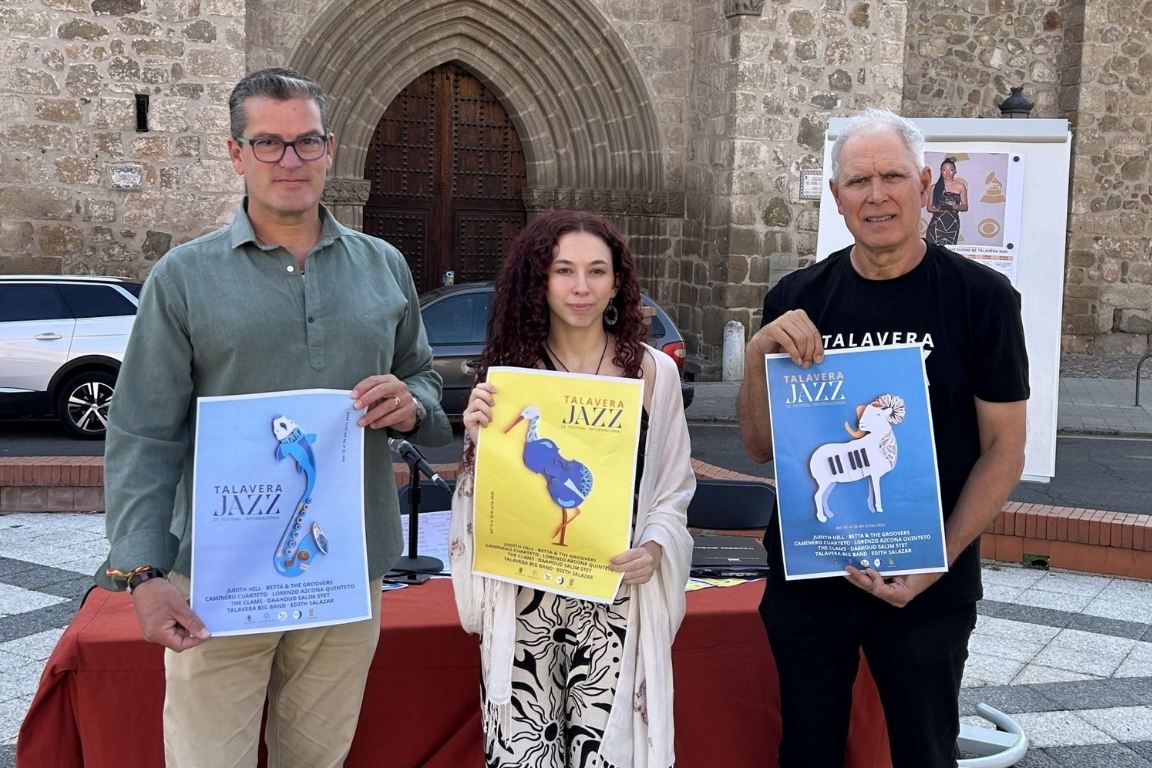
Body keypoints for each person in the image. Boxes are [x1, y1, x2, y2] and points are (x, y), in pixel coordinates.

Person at [96, 67, 450, 767]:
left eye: (307, 141)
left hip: (344, 570)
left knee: (318, 759)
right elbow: (142, 432)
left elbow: (426, 383)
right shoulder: (184, 277)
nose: (291, 160)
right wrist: (141, 571)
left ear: (330, 148)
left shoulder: (383, 266)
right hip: (216, 577)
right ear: (236, 153)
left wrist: (413, 405)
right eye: (268, 143)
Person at [737, 109, 1028, 768]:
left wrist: (939, 558)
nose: (877, 195)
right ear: (836, 197)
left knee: (924, 752)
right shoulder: (796, 297)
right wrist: (758, 356)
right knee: (806, 752)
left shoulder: (982, 298)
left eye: (892, 177)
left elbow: (1005, 447)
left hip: (926, 577)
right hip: (811, 579)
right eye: (858, 181)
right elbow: (760, 446)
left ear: (923, 185)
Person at [448, 211, 696, 768]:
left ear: (617, 282)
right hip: (524, 600)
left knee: (604, 754)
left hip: (616, 598)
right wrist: (478, 442)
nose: (581, 287)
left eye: (596, 271)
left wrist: (656, 546)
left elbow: (674, 486)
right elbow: (482, 501)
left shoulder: (653, 374)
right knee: (525, 752)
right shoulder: (509, 378)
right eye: (563, 270)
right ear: (540, 279)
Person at [925, 156, 968, 245]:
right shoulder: (934, 187)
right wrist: (936, 209)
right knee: (933, 249)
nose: (947, 173)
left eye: (951, 170)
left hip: (952, 223)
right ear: (941, 171)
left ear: (955, 171)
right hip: (937, 222)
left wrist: (956, 206)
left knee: (948, 250)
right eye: (944, 170)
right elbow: (929, 207)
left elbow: (965, 207)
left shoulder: (961, 186)